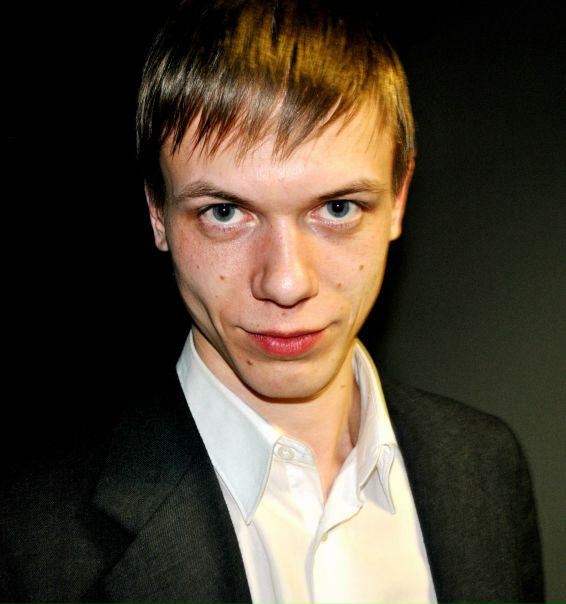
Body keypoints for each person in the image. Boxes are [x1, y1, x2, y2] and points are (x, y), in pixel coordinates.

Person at [0, 1, 545, 602]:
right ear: (157, 213)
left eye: (338, 208)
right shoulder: (28, 534)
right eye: (224, 212)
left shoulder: (488, 465)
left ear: (398, 199)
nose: (286, 283)